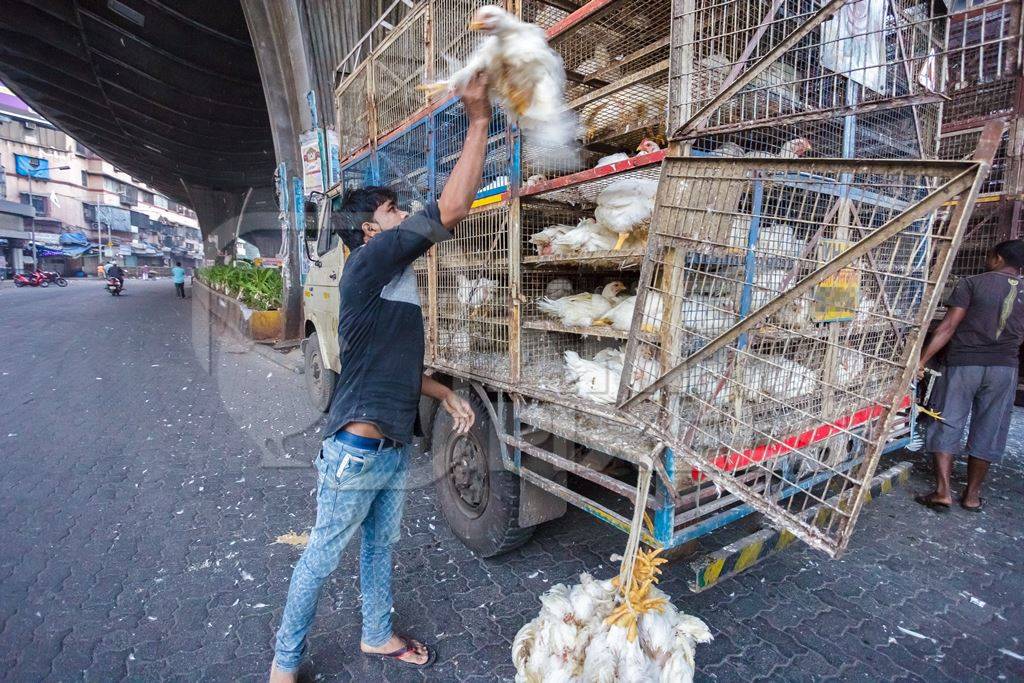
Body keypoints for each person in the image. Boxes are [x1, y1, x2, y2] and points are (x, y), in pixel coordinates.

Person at [269, 72, 490, 680]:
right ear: (370, 229)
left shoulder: (388, 288)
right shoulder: (369, 263)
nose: (404, 217)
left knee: (375, 546)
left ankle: (375, 636)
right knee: (321, 554)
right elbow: (451, 208)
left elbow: (390, 367)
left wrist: (444, 393)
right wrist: (476, 121)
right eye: (394, 210)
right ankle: (283, 664)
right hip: (358, 451)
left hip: (388, 448)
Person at [915, 239, 1024, 513]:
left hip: (963, 364)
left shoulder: (972, 283)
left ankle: (942, 492)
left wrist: (921, 360)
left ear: (997, 258)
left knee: (947, 421)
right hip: (1004, 368)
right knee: (990, 427)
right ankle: (972, 496)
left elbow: (948, 326)